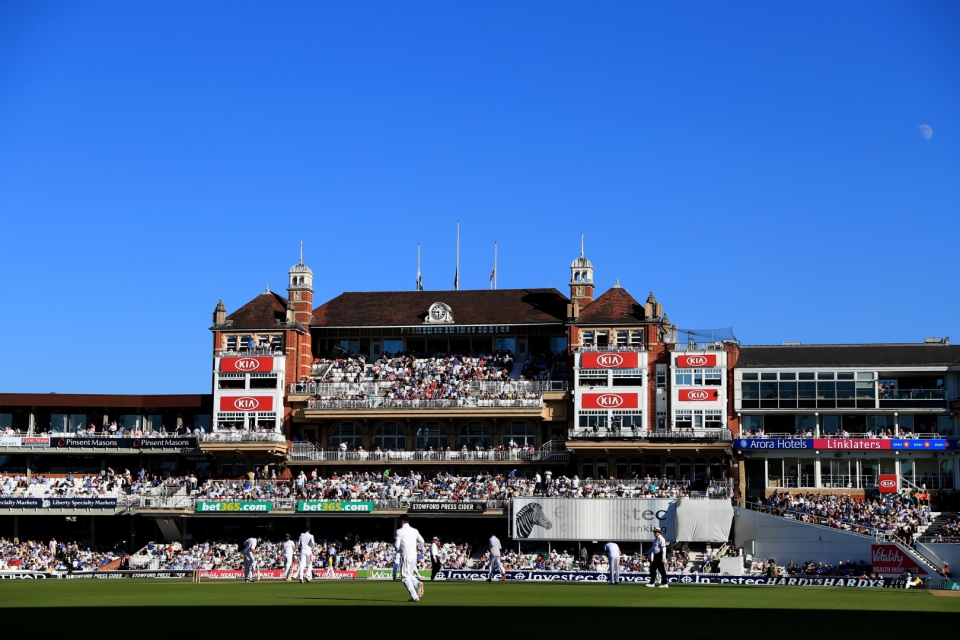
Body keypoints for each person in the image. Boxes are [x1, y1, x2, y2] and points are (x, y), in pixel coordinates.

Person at [395, 514, 425, 602]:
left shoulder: (399, 531)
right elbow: (422, 541)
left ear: (401, 521)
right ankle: (417, 583)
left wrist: (399, 551)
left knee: (405, 577)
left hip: (405, 555)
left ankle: (415, 596)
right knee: (409, 574)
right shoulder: (414, 530)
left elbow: (397, 545)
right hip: (414, 555)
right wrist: (418, 547)